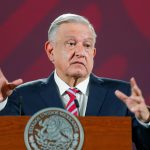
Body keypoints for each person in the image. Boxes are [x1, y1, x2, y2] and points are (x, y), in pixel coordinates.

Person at [0, 13, 150, 149]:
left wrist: (146, 120)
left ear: (93, 53)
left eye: (87, 45)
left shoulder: (122, 96)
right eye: (71, 44)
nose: (80, 53)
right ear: (51, 51)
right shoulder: (22, 96)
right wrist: (1, 103)